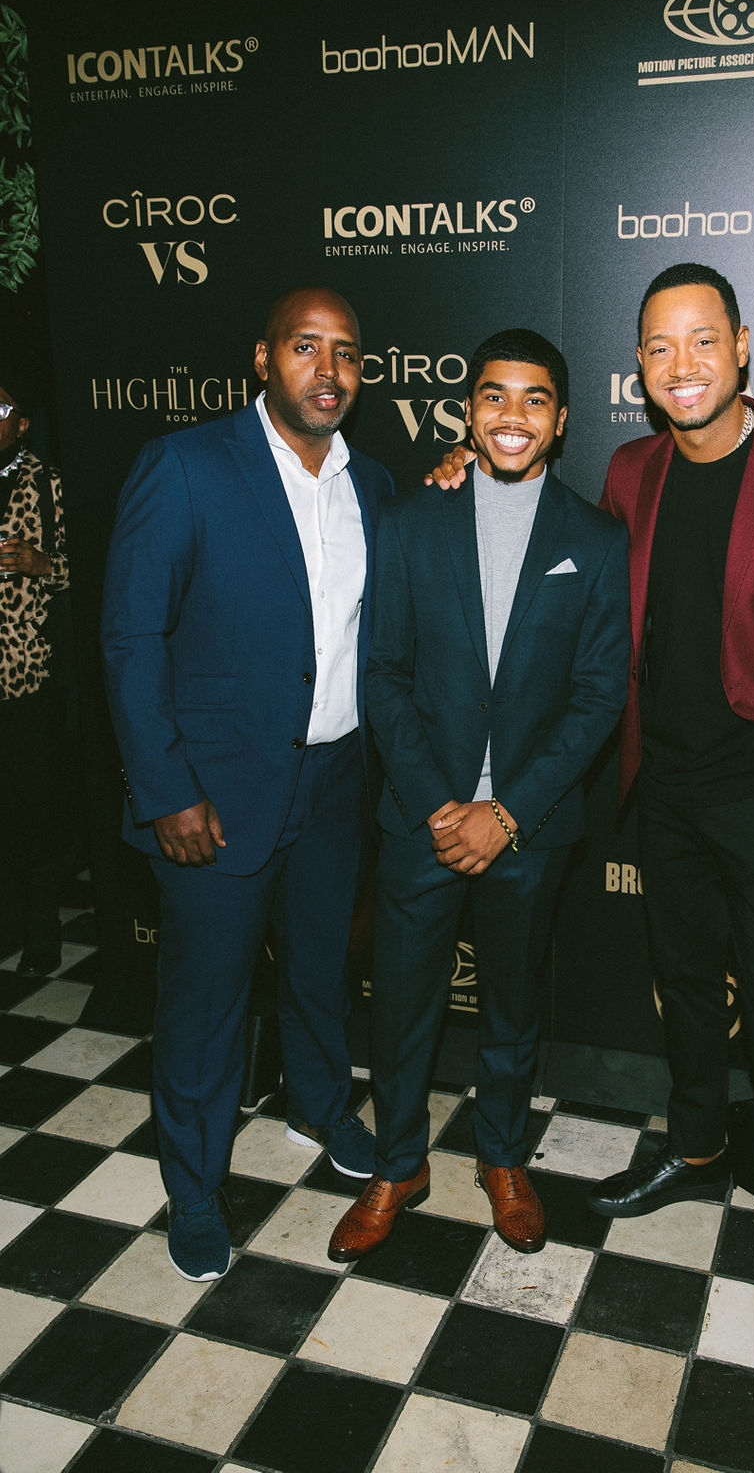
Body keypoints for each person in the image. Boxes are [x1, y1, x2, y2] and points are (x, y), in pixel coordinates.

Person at [426, 265, 754, 1386]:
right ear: (638, 366)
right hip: (665, 795)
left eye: (700, 340)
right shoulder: (629, 472)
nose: (680, 364)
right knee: (685, 986)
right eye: (657, 346)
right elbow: (564, 569)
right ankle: (694, 1149)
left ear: (741, 346)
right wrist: (461, 471)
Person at [101, 287, 392, 1281]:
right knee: (206, 1003)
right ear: (263, 360)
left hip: (337, 781)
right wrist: (165, 789)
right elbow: (131, 638)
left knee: (318, 974)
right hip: (212, 798)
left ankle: (319, 1105)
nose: (328, 370)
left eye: (346, 352)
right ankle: (193, 1188)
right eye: (306, 347)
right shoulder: (184, 466)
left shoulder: (372, 485)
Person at [327, 329, 629, 1264]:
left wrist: (507, 812)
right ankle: (398, 1165)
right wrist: (438, 805)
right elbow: (385, 675)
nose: (512, 416)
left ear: (561, 419)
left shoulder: (596, 538)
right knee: (400, 1006)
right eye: (494, 396)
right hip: (421, 821)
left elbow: (599, 696)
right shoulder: (412, 520)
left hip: (529, 828)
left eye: (535, 399)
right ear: (468, 411)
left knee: (512, 1006)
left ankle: (501, 1157)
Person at [0, 362, 71, 975]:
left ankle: (43, 932)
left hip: (26, 675)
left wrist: (40, 563)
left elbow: (88, 567)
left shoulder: (47, 484)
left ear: (21, 424)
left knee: (33, 806)